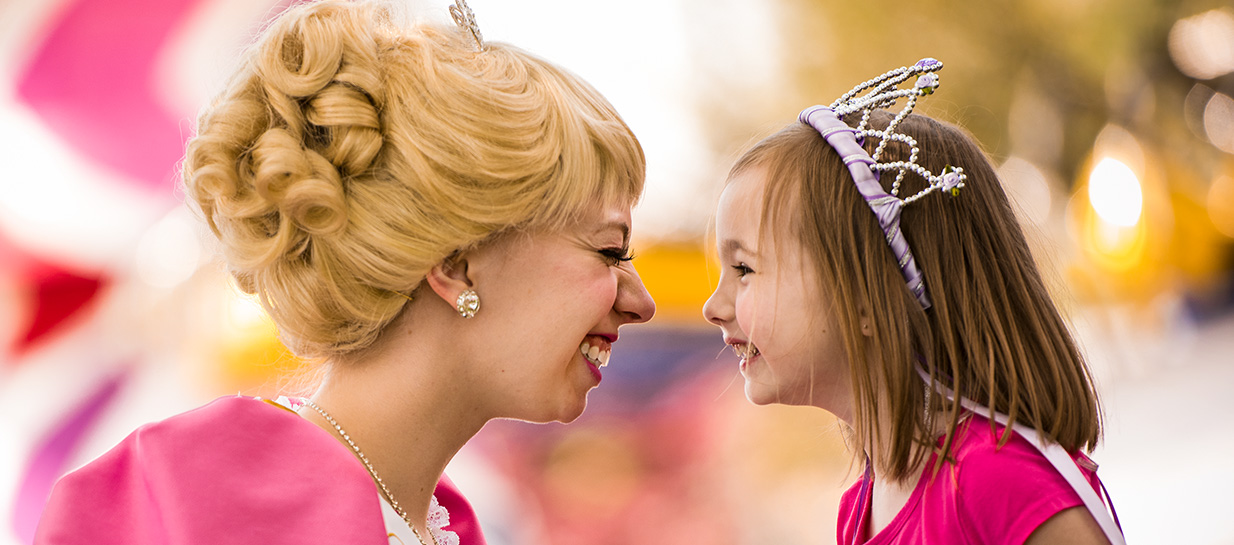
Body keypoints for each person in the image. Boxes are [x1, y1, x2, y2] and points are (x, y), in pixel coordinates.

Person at [34, 1, 654, 544]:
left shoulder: (446, 526)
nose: (641, 301)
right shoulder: (181, 505)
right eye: (608, 252)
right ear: (457, 266)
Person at [702, 59, 1125, 545]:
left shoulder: (997, 483)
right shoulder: (860, 509)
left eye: (744, 270)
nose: (714, 306)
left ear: (863, 297)